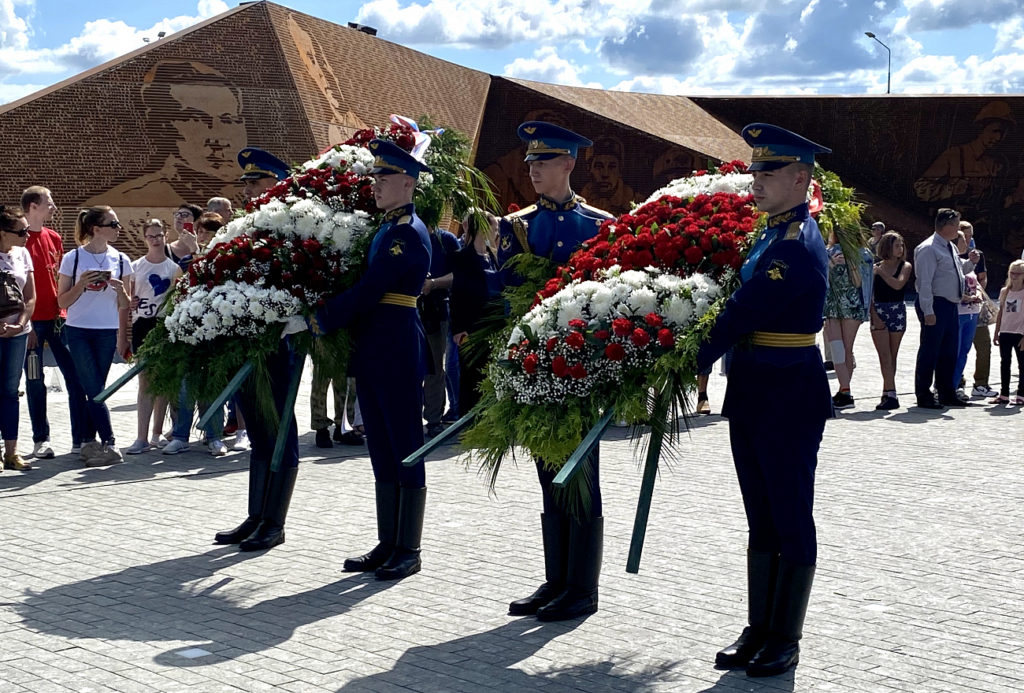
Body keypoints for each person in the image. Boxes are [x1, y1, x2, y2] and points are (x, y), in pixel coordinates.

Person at [695, 123, 833, 677]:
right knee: (760, 514)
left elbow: (743, 314)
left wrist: (682, 357)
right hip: (753, 385)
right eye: (755, 169)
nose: (756, 179)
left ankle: (786, 636)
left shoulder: (796, 244)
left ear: (800, 177)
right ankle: (760, 626)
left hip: (787, 389)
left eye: (768, 171)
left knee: (789, 511)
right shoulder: (769, 235)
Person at [497, 121, 614, 622]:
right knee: (549, 475)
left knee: (580, 474)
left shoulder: (600, 224)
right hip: (535, 365)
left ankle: (582, 588)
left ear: (568, 164)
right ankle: (557, 579)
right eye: (530, 164)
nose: (534, 171)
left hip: (580, 371)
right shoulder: (517, 226)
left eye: (543, 163)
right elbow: (501, 301)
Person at [309, 140, 431, 579]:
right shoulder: (385, 228)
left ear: (407, 182)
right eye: (374, 178)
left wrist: (323, 316)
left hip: (397, 345)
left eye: (384, 179)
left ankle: (408, 547)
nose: (375, 185)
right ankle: (388, 541)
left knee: (404, 444)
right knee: (380, 446)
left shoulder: (406, 232)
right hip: (376, 345)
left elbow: (373, 288)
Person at [57, 206, 133, 467]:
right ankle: (110, 443)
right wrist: (81, 284)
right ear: (96, 229)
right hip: (78, 330)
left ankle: (89, 442)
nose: (118, 228)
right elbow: (62, 300)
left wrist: (121, 290)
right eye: (113, 224)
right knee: (94, 388)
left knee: (96, 389)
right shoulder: (73, 258)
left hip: (106, 330)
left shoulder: (121, 259)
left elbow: (126, 304)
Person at [21, 186, 88, 458]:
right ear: (33, 206)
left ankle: (80, 439)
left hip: (59, 319)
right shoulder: (17, 240)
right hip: (32, 324)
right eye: (49, 202)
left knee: (75, 378)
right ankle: (41, 440)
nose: (54, 207)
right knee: (35, 380)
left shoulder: (54, 237)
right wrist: (25, 326)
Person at [913, 208, 980, 409]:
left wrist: (971, 263)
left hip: (951, 304)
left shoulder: (949, 247)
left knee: (949, 351)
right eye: (957, 225)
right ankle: (923, 394)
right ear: (948, 226)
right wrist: (928, 311)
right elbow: (924, 282)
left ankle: (946, 392)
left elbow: (957, 271)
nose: (959, 230)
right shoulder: (928, 248)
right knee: (930, 350)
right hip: (935, 302)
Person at [124, 221, 181, 454]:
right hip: (142, 325)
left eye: (159, 235)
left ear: (165, 235)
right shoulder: (136, 266)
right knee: (145, 381)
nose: (155, 240)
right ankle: (141, 436)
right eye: (151, 236)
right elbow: (128, 300)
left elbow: (179, 298)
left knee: (164, 381)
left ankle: (157, 432)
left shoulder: (173, 268)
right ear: (144, 238)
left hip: (163, 323)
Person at [450, 209, 503, 412]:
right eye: (494, 229)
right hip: (472, 324)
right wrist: (458, 328)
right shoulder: (462, 257)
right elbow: (458, 294)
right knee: (471, 374)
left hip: (493, 324)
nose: (496, 234)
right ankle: (467, 420)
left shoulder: (493, 256)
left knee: (490, 373)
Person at [0, 207, 36, 471]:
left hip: (18, 332)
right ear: (3, 233)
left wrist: (21, 323)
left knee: (11, 392)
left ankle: (11, 452)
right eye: (21, 231)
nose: (27, 235)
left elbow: (30, 297)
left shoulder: (23, 254)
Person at [823, 233, 872, 409]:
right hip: (832, 305)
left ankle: (845, 391)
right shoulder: (827, 252)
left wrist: (851, 263)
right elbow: (822, 277)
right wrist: (831, 264)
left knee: (846, 348)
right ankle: (845, 390)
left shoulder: (863, 254)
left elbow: (860, 283)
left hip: (852, 304)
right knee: (837, 349)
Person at [421, 224, 460, 439]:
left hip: (436, 310)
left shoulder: (447, 240)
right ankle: (407, 417)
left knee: (435, 368)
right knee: (408, 369)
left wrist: (433, 283)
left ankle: (434, 419)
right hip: (409, 309)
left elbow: (458, 274)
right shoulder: (407, 235)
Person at [869, 232, 912, 410]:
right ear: (887, 247)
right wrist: (873, 314)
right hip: (879, 309)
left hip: (897, 310)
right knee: (884, 355)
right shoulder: (874, 267)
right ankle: (890, 392)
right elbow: (869, 294)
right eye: (896, 246)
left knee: (892, 356)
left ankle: (888, 392)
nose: (900, 249)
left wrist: (882, 273)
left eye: (901, 245)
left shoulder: (905, 266)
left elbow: (898, 284)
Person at [959, 221, 998, 398]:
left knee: (984, 345)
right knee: (958, 346)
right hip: (958, 307)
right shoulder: (949, 253)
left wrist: (978, 291)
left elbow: (982, 278)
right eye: (964, 235)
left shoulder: (978, 255)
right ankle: (957, 382)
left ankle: (981, 383)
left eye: (970, 235)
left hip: (976, 306)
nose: (968, 239)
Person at [953, 231, 983, 401]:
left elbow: (976, 283)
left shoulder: (967, 263)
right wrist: (968, 298)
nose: (968, 241)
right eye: (964, 239)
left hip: (972, 312)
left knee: (964, 351)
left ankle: (956, 385)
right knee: (953, 351)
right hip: (957, 312)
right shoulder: (952, 263)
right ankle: (943, 386)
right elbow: (952, 289)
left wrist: (977, 294)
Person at [990, 259, 1024, 405]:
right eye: (1012, 273)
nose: (1014, 276)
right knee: (1005, 362)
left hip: (1020, 332)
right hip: (1005, 331)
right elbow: (1001, 313)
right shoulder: (1005, 291)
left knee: (1022, 364)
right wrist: (997, 331)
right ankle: (1004, 394)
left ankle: (1021, 394)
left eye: (1018, 273)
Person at [166, 203, 203, 269]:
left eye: (185, 215)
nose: (179, 217)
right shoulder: (165, 250)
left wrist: (194, 249)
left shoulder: (205, 249)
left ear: (196, 222)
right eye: (177, 214)